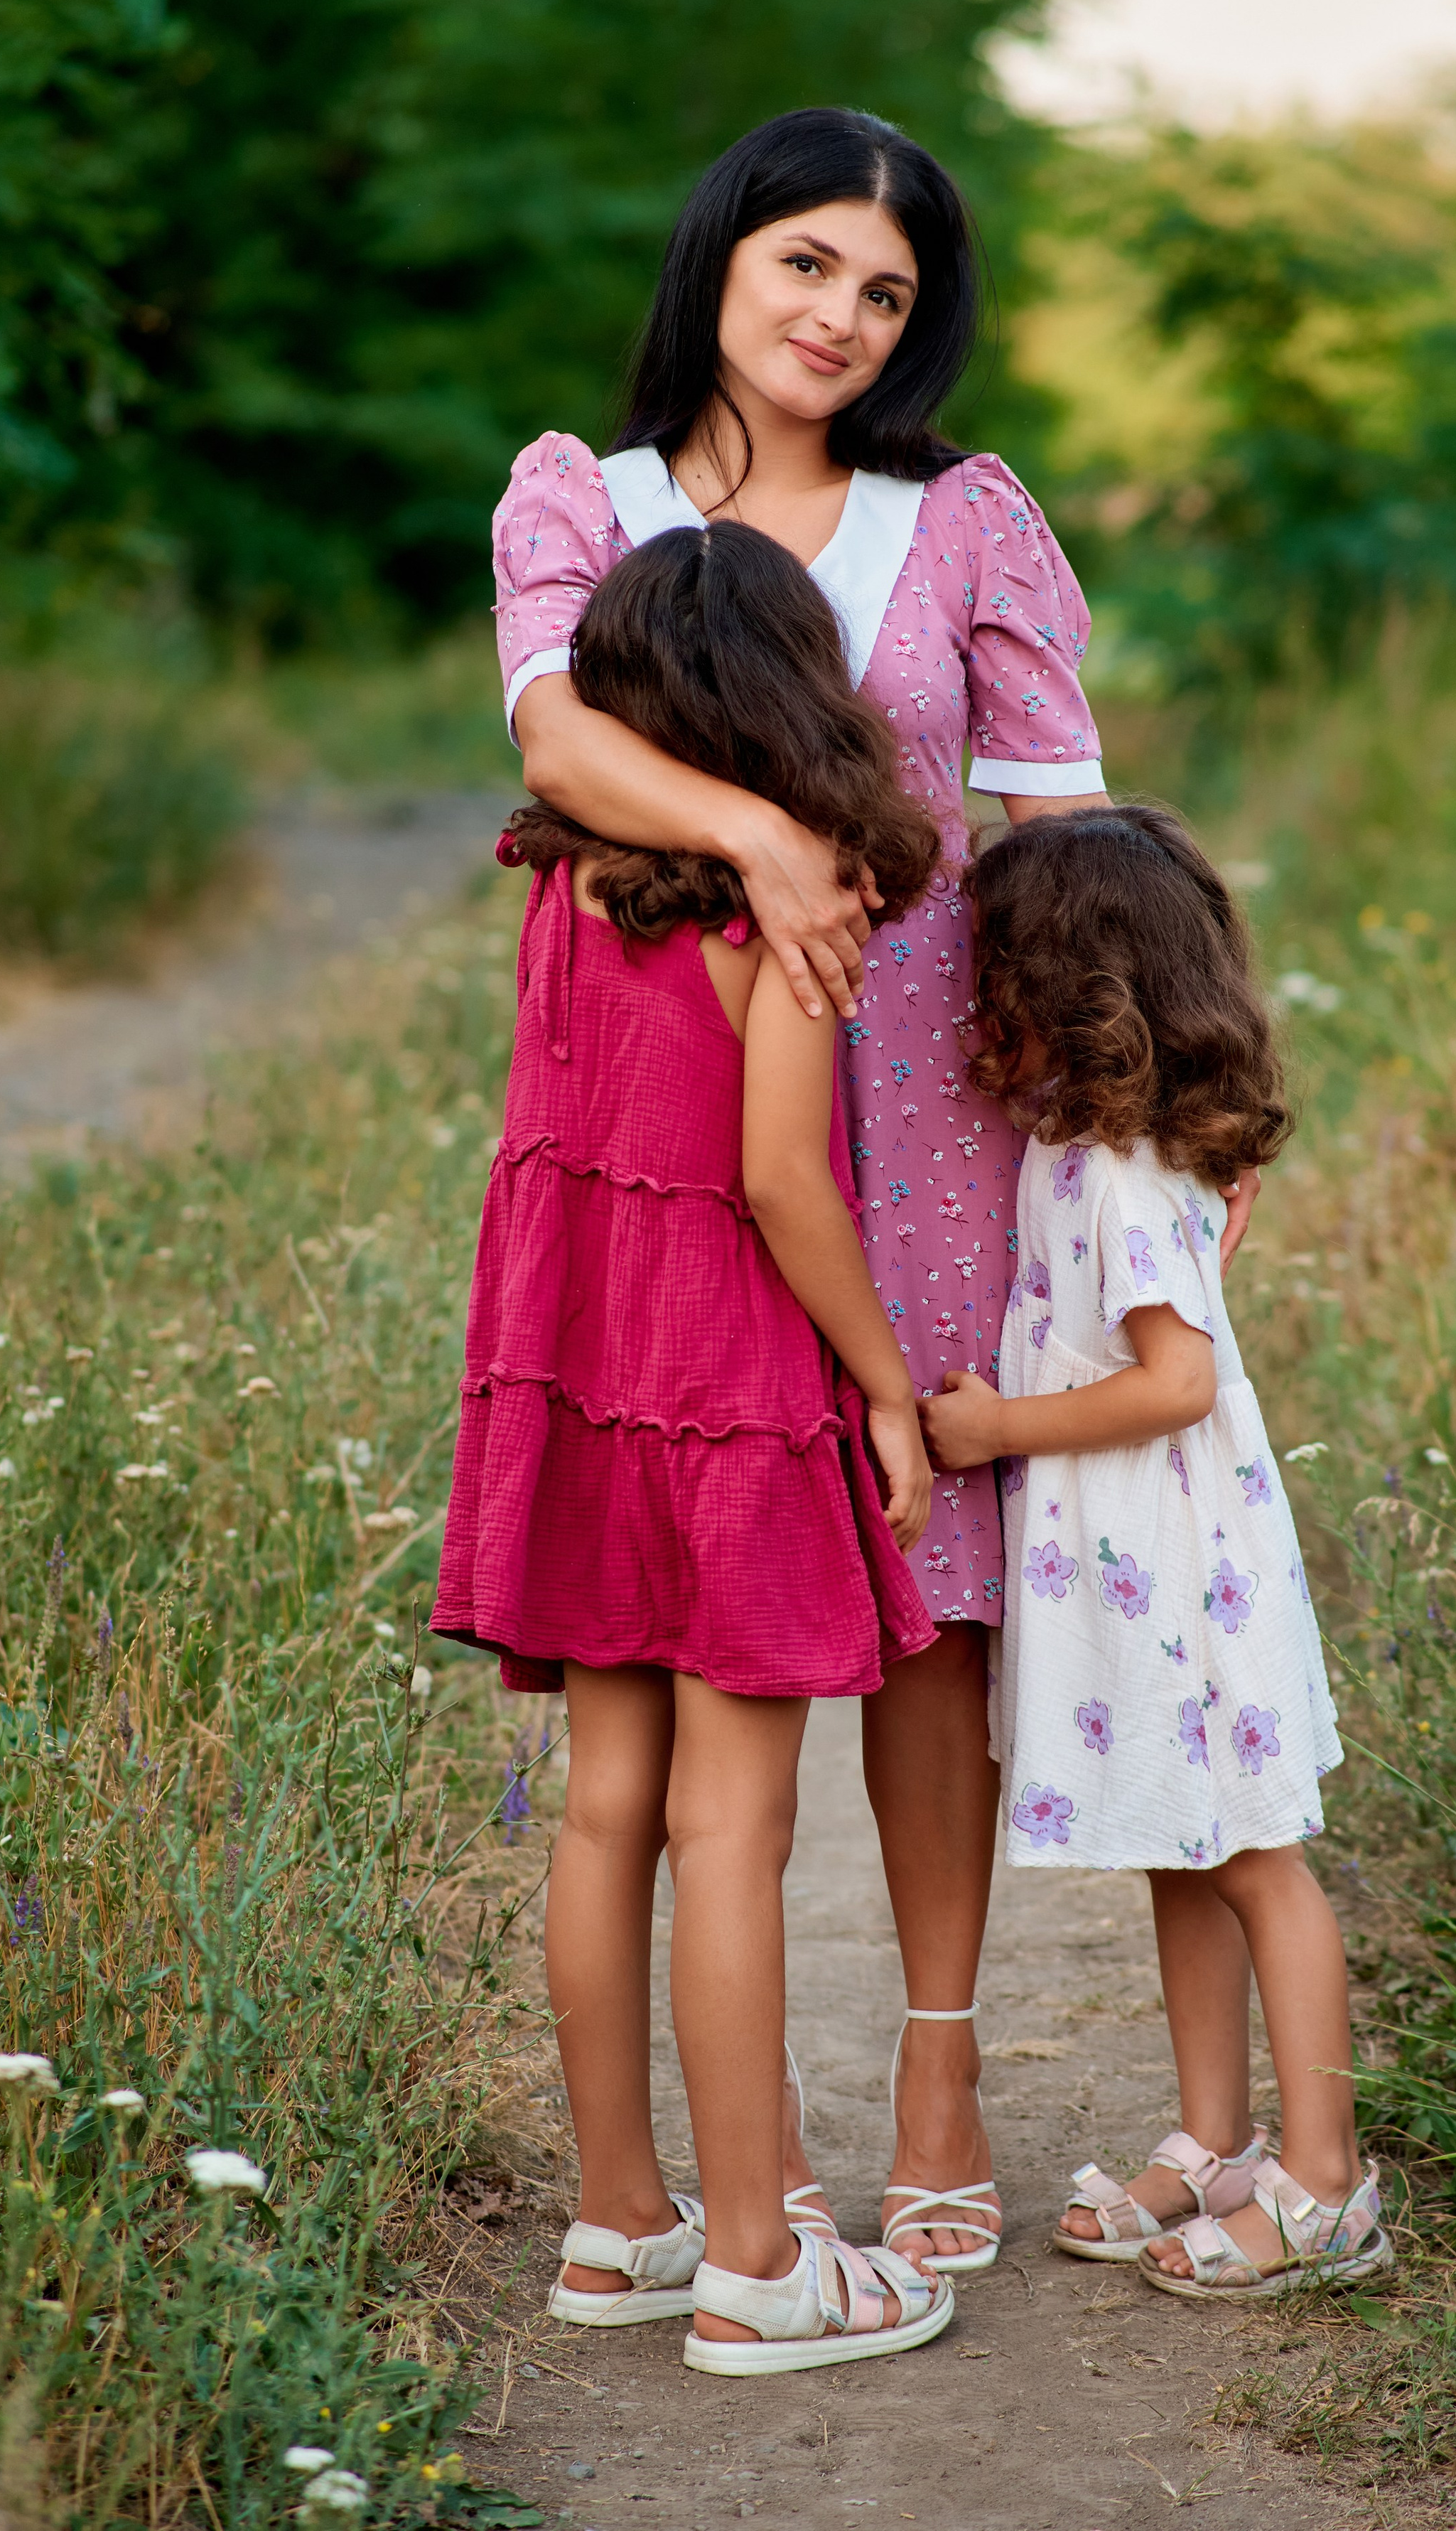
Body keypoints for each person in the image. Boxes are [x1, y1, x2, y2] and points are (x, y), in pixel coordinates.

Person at [490, 104, 1256, 2267]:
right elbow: (556, 743)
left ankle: (937, 2055)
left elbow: (1061, 837)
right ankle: (722, 2187)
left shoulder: (965, 523)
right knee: (689, 1618)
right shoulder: (593, 499)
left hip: (940, 1105)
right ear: (722, 260)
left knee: (937, 1601)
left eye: (888, 294)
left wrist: (1152, 1119)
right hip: (683, 1103)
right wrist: (760, 841)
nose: (840, 317)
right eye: (807, 264)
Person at [431, 522, 956, 2372]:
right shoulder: (780, 901)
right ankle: (759, 2259)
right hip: (723, 1384)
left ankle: (621, 2223)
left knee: (605, 1812)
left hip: (572, 1380)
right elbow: (780, 1188)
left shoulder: (561, 886)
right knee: (737, 1826)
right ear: (793, 700)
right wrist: (888, 1386)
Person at [922, 807, 1393, 2299]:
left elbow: (1174, 1381)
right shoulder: (1092, 1152)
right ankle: (1212, 2141)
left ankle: (1324, 2184)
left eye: (988, 976)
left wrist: (996, 1426)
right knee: (1184, 1854)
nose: (965, 1003)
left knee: (1253, 1857)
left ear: (1064, 992)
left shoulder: (1119, 1172)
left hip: (1174, 1565)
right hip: (1137, 1548)